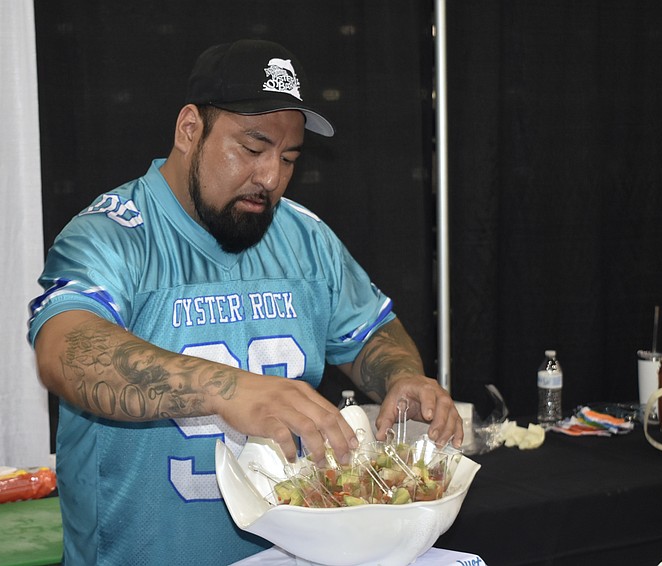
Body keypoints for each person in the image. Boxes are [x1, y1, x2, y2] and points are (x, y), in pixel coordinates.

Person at [28, 38, 463, 565]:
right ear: (190, 129)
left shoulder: (305, 238)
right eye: (253, 150)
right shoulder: (113, 233)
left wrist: (402, 376)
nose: (271, 178)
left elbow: (370, 332)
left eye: (289, 158)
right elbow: (64, 351)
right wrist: (227, 389)